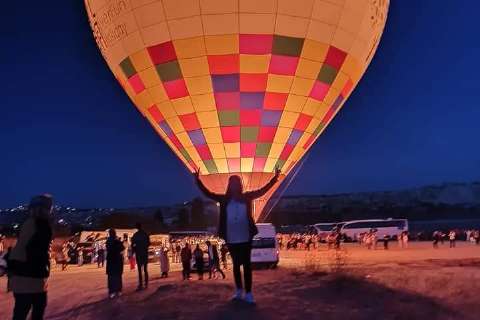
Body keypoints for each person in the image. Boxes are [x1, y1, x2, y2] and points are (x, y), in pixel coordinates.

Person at [195, 168, 280, 304]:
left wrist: (274, 179)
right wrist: (198, 180)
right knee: (236, 265)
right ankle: (239, 290)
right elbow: (208, 194)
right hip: (231, 236)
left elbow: (262, 191)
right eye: (232, 184)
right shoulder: (223, 199)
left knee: (246, 265)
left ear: (239, 185)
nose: (234, 186)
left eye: (236, 184)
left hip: (245, 235)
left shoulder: (246, 197)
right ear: (230, 185)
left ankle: (248, 293)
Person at [8, 194, 53, 320]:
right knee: (33, 311)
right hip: (31, 277)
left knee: (21, 312)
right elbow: (35, 251)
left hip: (24, 277)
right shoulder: (40, 224)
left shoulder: (29, 223)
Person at [131, 223, 150, 290]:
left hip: (139, 253)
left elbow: (133, 244)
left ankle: (141, 284)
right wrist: (144, 247)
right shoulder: (145, 234)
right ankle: (146, 284)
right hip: (144, 253)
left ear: (137, 227)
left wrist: (134, 251)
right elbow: (148, 243)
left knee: (140, 270)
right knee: (145, 269)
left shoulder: (135, 235)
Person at [106, 229, 124, 299]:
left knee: (111, 277)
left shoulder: (109, 241)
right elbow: (122, 248)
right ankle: (118, 290)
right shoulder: (116, 240)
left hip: (111, 260)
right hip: (117, 260)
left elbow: (108, 249)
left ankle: (112, 291)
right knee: (118, 276)